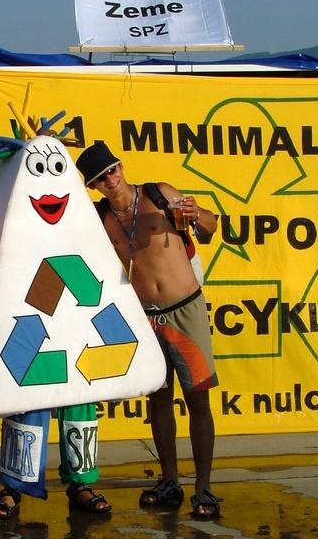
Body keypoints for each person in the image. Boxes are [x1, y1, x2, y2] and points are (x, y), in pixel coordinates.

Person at [76, 142, 221, 519]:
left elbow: (210, 227)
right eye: (100, 179)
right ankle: (169, 479)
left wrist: (196, 213)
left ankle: (204, 488)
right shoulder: (100, 218)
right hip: (143, 317)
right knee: (158, 399)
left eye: (111, 170)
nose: (110, 180)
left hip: (185, 309)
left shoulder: (159, 194)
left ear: (121, 166)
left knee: (198, 400)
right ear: (93, 186)